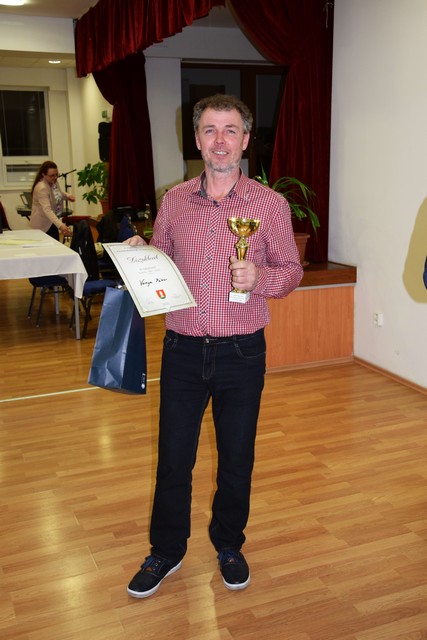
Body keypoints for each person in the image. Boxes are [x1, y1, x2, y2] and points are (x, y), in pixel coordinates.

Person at [126, 94, 304, 598]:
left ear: (245, 140)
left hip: (242, 352)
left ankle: (228, 543)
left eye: (230, 130)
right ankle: (166, 550)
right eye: (210, 130)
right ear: (197, 140)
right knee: (173, 458)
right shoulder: (175, 201)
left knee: (236, 458)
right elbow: (162, 259)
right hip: (182, 349)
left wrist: (261, 277)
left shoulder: (269, 205)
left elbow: (291, 271)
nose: (220, 140)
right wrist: (141, 254)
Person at [30, 161, 75, 240]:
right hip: (43, 225)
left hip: (51, 221)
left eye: (56, 174)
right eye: (52, 175)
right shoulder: (42, 188)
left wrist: (68, 196)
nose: (55, 177)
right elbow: (47, 210)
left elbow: (58, 194)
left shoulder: (53, 182)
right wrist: (61, 225)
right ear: (43, 175)